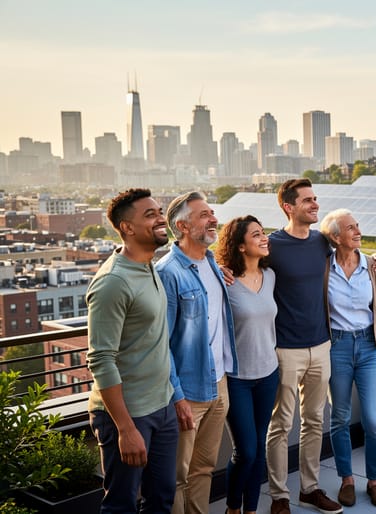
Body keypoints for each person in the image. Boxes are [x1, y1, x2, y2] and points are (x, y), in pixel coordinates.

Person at [86, 188, 179, 513]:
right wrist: (126, 429)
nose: (161, 218)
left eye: (160, 211)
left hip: (162, 405)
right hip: (128, 415)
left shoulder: (148, 264)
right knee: (121, 505)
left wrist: (173, 397)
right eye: (150, 214)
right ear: (127, 228)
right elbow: (100, 359)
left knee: (162, 499)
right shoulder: (113, 282)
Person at [264, 178, 345, 514]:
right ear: (288, 206)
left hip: (321, 345)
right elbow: (245, 272)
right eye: (307, 200)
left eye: (315, 199)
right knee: (281, 424)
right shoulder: (272, 245)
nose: (315, 205)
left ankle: (309, 489)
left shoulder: (321, 243)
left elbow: (351, 255)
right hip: (285, 348)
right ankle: (279, 495)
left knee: (314, 420)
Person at [157, 191, 237, 514]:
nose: (213, 219)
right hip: (188, 393)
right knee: (177, 476)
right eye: (204, 215)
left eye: (211, 213)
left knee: (203, 468)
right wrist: (177, 398)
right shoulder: (168, 272)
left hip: (219, 386)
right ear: (183, 226)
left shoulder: (213, 263)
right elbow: (161, 343)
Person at [319, 208, 376, 508]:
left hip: (369, 347)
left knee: (375, 421)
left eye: (358, 225)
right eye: (351, 228)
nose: (358, 231)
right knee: (339, 417)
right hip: (335, 347)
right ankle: (346, 479)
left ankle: (374, 480)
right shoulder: (324, 268)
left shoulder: (373, 268)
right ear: (336, 237)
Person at [215, 216, 279, 514]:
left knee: (259, 451)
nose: (264, 237)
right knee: (246, 451)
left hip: (268, 374)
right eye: (256, 235)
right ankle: (232, 508)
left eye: (263, 232)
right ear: (240, 246)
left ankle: (251, 509)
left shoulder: (271, 276)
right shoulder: (224, 282)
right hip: (238, 378)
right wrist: (218, 270)